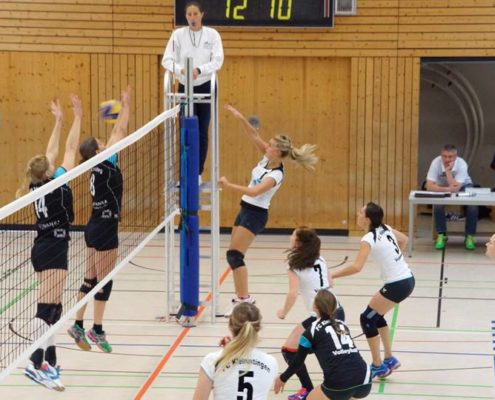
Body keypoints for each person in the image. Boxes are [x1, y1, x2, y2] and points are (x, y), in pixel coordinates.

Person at [220, 104, 318, 316]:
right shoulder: (267, 158)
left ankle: (245, 300)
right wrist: (239, 117)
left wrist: (228, 185)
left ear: (279, 152)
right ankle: (240, 297)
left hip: (255, 214)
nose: (267, 146)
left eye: (271, 146)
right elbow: (253, 135)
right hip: (245, 209)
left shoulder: (276, 175)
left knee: (235, 256)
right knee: (233, 255)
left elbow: (254, 191)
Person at [18, 95, 83, 391]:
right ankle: (35, 364)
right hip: (53, 248)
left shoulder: (37, 183)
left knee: (55, 307)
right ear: (48, 172)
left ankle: (50, 359)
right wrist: (76, 117)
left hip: (44, 247)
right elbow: (68, 149)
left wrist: (58, 120)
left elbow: (51, 152)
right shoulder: (57, 182)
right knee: (46, 308)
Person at [67, 86, 131, 353]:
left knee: (90, 279)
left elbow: (115, 135)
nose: (105, 142)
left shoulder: (94, 165)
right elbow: (120, 131)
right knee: (104, 281)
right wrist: (126, 105)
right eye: (100, 142)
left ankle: (78, 324)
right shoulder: (106, 160)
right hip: (105, 227)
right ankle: (97, 329)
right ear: (97, 151)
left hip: (93, 226)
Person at [330, 202, 415, 379]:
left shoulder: (368, 238)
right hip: (407, 279)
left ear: (367, 219)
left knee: (367, 319)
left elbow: (357, 267)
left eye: (361, 212)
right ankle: (389, 358)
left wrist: (333, 275)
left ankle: (378, 366)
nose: (357, 214)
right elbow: (404, 239)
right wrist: (394, 260)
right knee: (376, 316)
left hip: (397, 284)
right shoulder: (385, 228)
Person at [277, 227, 345, 400]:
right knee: (325, 349)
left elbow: (293, 293)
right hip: (337, 310)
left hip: (320, 317)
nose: (290, 236)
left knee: (290, 350)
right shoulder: (320, 258)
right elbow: (330, 282)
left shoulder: (294, 265)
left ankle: (308, 389)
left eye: (293, 234)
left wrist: (283, 312)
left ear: (298, 242)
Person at [162, 1, 224, 183]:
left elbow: (218, 60)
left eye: (195, 14)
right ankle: (185, 172)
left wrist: (200, 70)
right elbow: (167, 60)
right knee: (186, 130)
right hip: (185, 87)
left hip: (205, 86)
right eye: (189, 14)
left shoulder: (212, 35)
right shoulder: (178, 35)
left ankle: (197, 173)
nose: (192, 18)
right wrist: (181, 69)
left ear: (202, 14)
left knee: (202, 131)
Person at [274, 290, 371, 400]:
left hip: (339, 383)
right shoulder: (342, 325)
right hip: (365, 380)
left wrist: (282, 378)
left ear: (314, 307)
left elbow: (298, 362)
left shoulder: (310, 331)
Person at [192, 302, 278, 400]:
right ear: (258, 328)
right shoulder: (271, 362)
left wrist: (229, 351)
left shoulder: (213, 360)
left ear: (230, 325)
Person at [425, 144, 478, 250]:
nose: (447, 159)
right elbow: (429, 186)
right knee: (438, 204)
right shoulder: (435, 162)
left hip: (464, 185)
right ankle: (442, 234)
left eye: (450, 157)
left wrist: (448, 172)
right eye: (444, 156)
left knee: (473, 205)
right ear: (441, 155)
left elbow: (455, 188)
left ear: (455, 156)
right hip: (442, 187)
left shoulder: (461, 164)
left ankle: (469, 236)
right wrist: (446, 190)